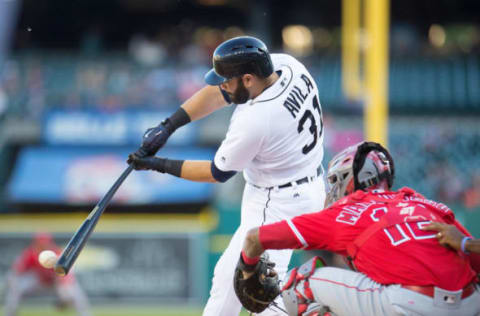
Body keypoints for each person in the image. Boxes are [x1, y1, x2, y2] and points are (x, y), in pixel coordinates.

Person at [128, 36, 326, 315]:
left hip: (278, 201)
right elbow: (218, 93)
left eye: (228, 79)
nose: (222, 84)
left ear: (247, 79)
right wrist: (168, 125)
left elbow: (216, 172)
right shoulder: (286, 65)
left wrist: (157, 164)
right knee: (231, 282)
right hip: (307, 183)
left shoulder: (257, 119)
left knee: (260, 290)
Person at [237, 141, 480, 316]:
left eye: (335, 181)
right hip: (470, 303)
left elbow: (254, 238)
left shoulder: (346, 211)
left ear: (349, 179)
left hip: (412, 303)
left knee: (302, 282)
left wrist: (247, 269)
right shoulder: (424, 203)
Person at [4, 232, 91, 316]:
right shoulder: (30, 253)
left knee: (76, 294)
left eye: (45, 243)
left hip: (55, 281)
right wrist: (13, 282)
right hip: (38, 280)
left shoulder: (57, 253)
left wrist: (64, 294)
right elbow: (16, 271)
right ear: (36, 243)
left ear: (49, 243)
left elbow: (67, 275)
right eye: (40, 243)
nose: (42, 245)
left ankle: (81, 312)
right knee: (15, 289)